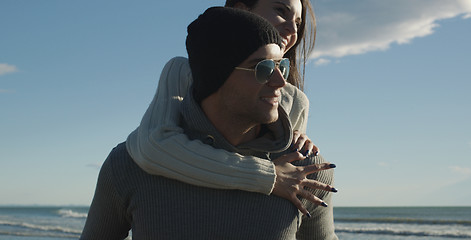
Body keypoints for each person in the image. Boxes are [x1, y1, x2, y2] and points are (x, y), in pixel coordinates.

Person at [81, 7, 337, 239]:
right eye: (263, 68)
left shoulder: (305, 174)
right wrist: (266, 177)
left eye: (281, 65)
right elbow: (154, 143)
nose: (280, 81)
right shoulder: (128, 164)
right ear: (216, 76)